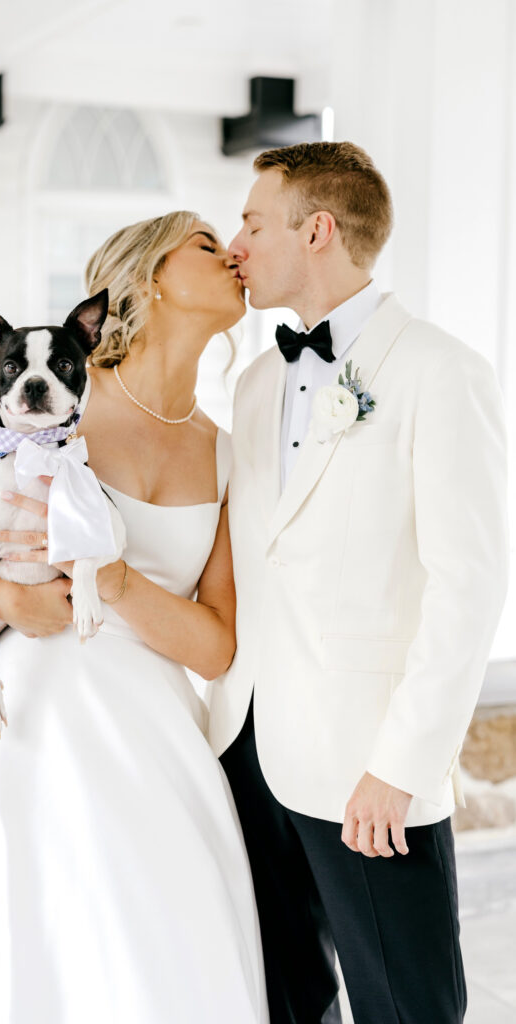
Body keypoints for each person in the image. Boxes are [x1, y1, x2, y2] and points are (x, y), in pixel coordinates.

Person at [0, 212, 269, 1024]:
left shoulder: (224, 449)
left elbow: (213, 648)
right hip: (18, 721)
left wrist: (116, 582)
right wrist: (3, 598)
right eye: (207, 244)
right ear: (147, 277)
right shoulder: (42, 393)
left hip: (151, 745)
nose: (234, 254)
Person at [207, 140, 510, 1024]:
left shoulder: (443, 373)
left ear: (317, 231)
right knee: (287, 996)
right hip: (248, 748)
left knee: (407, 1006)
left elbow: (470, 584)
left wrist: (401, 766)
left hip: (365, 768)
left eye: (253, 222)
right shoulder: (259, 382)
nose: (236, 244)